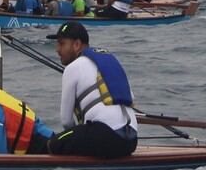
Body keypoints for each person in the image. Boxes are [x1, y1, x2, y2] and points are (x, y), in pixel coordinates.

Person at [47, 21, 139, 159]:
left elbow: (66, 121)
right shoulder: (108, 59)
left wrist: (72, 141)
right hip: (132, 140)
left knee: (52, 144)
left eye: (61, 43)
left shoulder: (72, 68)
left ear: (76, 45)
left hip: (105, 138)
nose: (57, 49)